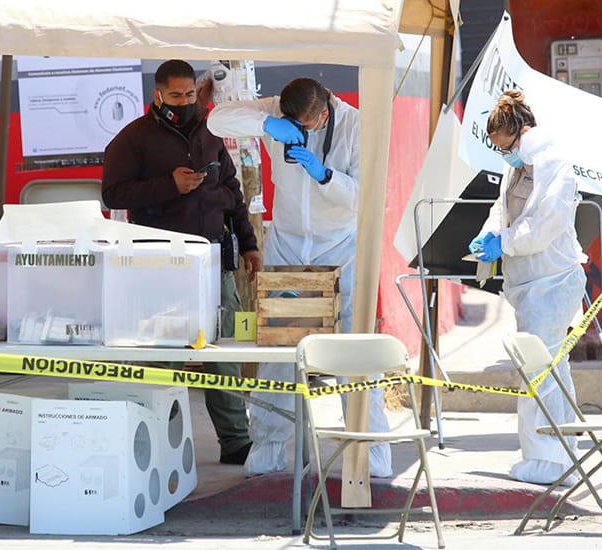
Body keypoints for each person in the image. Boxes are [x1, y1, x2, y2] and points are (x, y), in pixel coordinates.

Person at [207, 77, 392, 477]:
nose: (298, 136)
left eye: (306, 128)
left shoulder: (356, 125)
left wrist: (325, 175)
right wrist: (266, 125)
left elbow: (367, 196)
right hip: (288, 242)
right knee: (279, 348)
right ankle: (269, 449)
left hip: (341, 243)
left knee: (355, 350)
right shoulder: (275, 111)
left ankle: (371, 449)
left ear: (324, 113)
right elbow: (217, 121)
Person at [102, 59, 263, 465]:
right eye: (176, 95)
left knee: (222, 355)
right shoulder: (133, 138)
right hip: (160, 264)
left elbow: (232, 189)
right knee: (165, 358)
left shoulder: (210, 132)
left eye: (190, 94)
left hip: (213, 258)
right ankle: (159, 442)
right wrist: (168, 186)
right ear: (157, 94)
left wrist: (248, 244)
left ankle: (236, 441)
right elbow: (114, 194)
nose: (185, 101)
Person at [468, 89, 587, 485]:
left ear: (522, 132)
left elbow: (544, 225)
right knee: (544, 370)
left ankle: (550, 462)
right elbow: (501, 210)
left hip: (552, 282)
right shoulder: (518, 166)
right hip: (530, 285)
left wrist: (505, 242)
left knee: (542, 372)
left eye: (507, 148)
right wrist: (489, 236)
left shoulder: (555, 165)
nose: (505, 156)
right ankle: (555, 455)